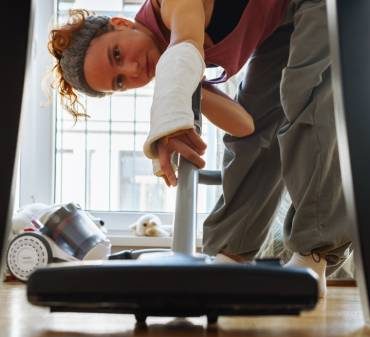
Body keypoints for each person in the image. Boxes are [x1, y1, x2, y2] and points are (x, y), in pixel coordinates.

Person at [49, 0, 352, 297]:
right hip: (282, 21)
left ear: (121, 23)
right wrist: (176, 117)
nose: (132, 69)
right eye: (119, 82)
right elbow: (247, 126)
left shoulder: (170, 7)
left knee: (304, 93)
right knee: (251, 141)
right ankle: (230, 258)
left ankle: (315, 256)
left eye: (117, 54)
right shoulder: (178, 66)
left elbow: (186, 43)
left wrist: (169, 110)